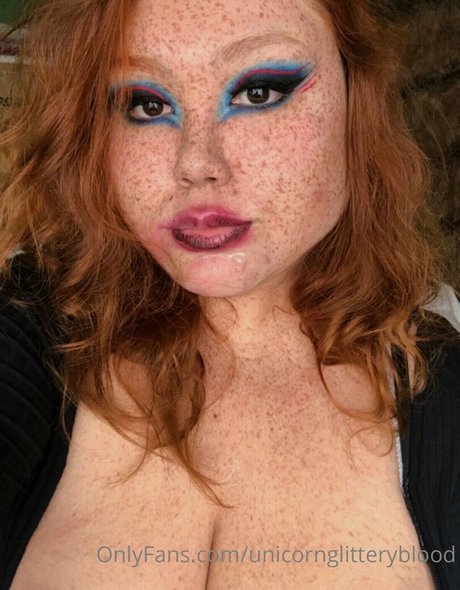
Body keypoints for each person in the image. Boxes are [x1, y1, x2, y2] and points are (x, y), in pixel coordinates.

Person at [0, 0, 459, 588]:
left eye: (259, 92)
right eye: (147, 103)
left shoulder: (444, 388)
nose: (196, 163)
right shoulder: (30, 322)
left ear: (357, 103)